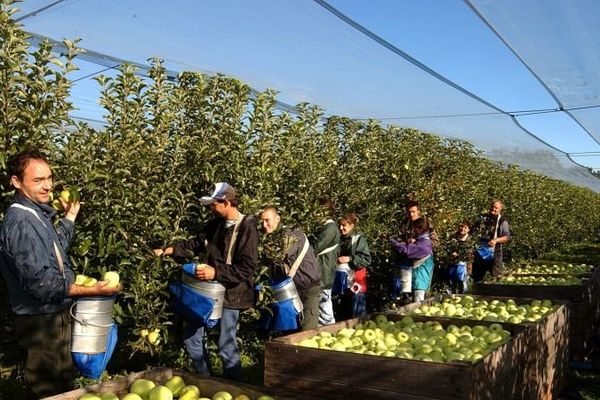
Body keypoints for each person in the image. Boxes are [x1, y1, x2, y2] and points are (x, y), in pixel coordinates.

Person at [0, 151, 121, 398]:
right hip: (40, 321)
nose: (47, 186)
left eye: (49, 178)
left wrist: (70, 217)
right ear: (16, 181)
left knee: (64, 383)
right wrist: (93, 291)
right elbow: (42, 284)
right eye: (38, 180)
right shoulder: (22, 221)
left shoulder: (36, 214)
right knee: (49, 389)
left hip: (54, 316)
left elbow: (54, 251)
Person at [153, 182, 258, 381]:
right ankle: (207, 379)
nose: (211, 208)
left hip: (231, 294)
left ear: (226, 202)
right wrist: (169, 250)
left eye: (213, 204)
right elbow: (194, 244)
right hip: (206, 292)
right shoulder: (214, 225)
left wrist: (215, 272)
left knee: (226, 343)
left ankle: (234, 387)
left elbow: (247, 268)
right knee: (191, 337)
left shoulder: (246, 229)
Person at [260, 206, 321, 330]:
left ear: (278, 219)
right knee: (289, 329)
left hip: (308, 289)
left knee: (307, 331)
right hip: (289, 291)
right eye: (261, 221)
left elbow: (280, 253)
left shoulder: (291, 236)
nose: (264, 225)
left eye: (267, 220)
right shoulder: (270, 238)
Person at [335, 213, 371, 320]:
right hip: (343, 281)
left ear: (351, 226)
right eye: (340, 225)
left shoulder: (358, 239)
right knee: (345, 314)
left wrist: (349, 258)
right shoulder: (340, 239)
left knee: (358, 314)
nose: (341, 228)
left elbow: (366, 259)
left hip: (356, 282)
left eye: (344, 225)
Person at [310, 198, 340, 326]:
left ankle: (330, 333)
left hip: (324, 274)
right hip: (321, 273)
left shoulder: (330, 228)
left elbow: (315, 247)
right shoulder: (325, 227)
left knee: (325, 310)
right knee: (321, 308)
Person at [390, 217, 434, 302]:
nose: (414, 231)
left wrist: (393, 242)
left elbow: (407, 250)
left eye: (415, 229)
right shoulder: (422, 241)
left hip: (420, 283)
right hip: (418, 279)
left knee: (418, 304)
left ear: (420, 229)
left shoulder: (424, 245)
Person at [472, 199, 510, 283]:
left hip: (495, 253)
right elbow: (473, 231)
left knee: (496, 277)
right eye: (492, 207)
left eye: (496, 207)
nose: (493, 209)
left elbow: (506, 237)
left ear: (500, 209)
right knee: (477, 277)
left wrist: (496, 240)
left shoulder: (502, 221)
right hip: (480, 251)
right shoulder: (483, 218)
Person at [446, 219, 474, 293]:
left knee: (462, 283)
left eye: (465, 227)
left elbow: (470, 255)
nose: (462, 229)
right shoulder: (453, 237)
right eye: (461, 226)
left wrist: (459, 255)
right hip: (453, 264)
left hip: (464, 265)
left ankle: (462, 296)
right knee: (453, 283)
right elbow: (447, 248)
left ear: (468, 229)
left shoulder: (470, 240)